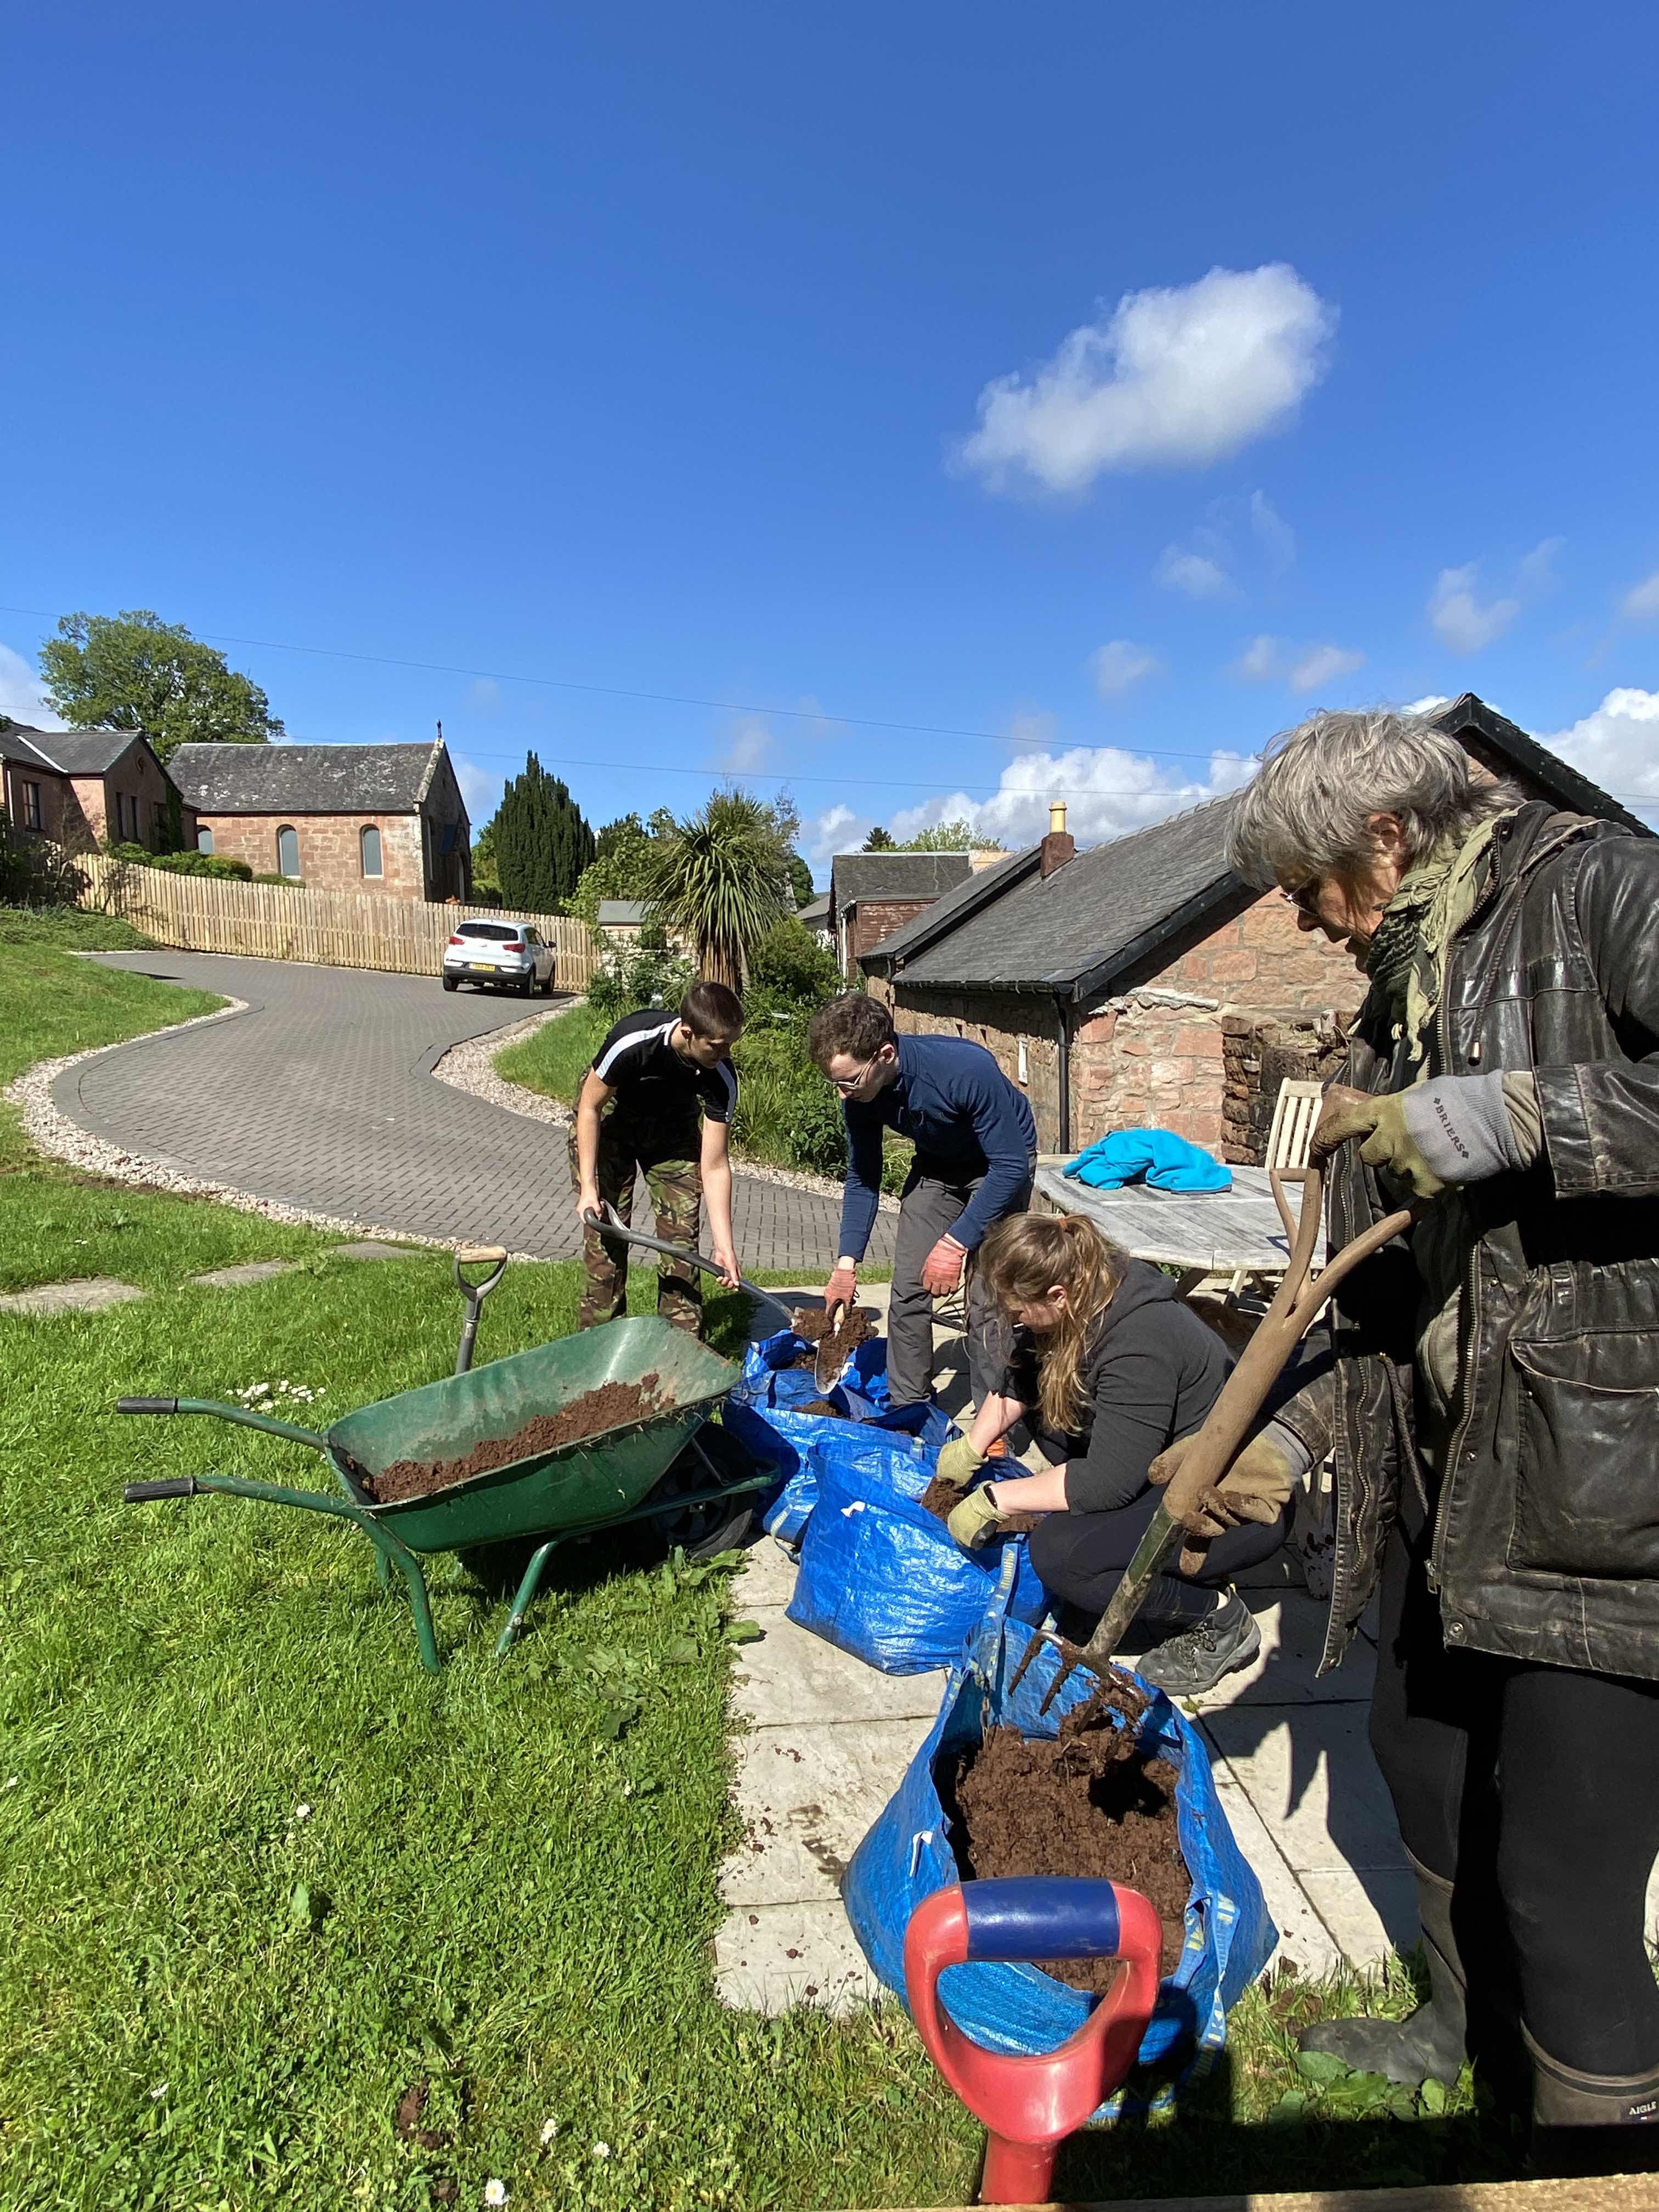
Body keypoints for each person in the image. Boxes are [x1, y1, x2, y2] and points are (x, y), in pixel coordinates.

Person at [1149, 706, 1659, 2170]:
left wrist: (1520, 1115)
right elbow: (1411, 1271)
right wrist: (1292, 1429)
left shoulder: (1601, 891)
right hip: (1462, 1463)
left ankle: (1596, 2165)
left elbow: (1515, 1142)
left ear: (1387, 836)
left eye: (1311, 884)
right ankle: (1461, 2030)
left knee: (1563, 1878)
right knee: (1416, 1753)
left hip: (1605, 1482)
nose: (1304, 922)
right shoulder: (1415, 973)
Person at [935, 1210, 1293, 1694]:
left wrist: (996, 1500)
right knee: (1054, 1429)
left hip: (1229, 1503)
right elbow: (1023, 1375)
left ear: (1057, 1296)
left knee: (1062, 1557)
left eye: (1018, 1311)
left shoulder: (1140, 1340)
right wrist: (971, 1446)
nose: (1012, 1320)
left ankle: (1217, 1618)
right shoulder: (1082, 1293)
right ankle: (1116, 1559)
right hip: (1161, 1466)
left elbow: (1107, 1482)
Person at [807, 995, 1036, 1413]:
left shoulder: (964, 1070)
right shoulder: (861, 1095)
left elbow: (1012, 1165)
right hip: (938, 1169)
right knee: (909, 1291)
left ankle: (993, 1420)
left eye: (849, 1082)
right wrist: (846, 1265)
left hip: (1000, 1168)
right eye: (834, 1083)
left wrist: (956, 1243)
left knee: (987, 1304)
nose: (842, 1095)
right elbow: (863, 1178)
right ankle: (907, 1408)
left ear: (885, 1055)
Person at [569, 979, 744, 1336]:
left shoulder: (721, 1078)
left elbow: (714, 1165)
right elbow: (589, 1107)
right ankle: (601, 1350)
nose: (724, 1054)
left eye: (731, 1045)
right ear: (688, 1031)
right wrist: (589, 1187)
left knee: (682, 1247)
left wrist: (725, 1247)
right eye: (716, 1046)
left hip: (672, 1137)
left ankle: (677, 1354)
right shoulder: (632, 1043)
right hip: (611, 1127)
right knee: (607, 1241)